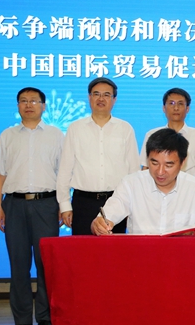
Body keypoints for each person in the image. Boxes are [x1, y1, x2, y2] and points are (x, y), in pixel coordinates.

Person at [0, 87, 63, 325]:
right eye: (23, 101)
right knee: (18, 263)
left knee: (46, 265)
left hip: (46, 204)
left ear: (44, 105)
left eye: (34, 100)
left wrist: (63, 205)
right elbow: (0, 174)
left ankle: (45, 318)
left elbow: (64, 174)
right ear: (18, 106)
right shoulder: (7, 135)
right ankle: (22, 321)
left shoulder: (56, 135)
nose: (28, 104)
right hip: (14, 204)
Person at [91, 128, 195, 235]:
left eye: (168, 165)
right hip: (140, 253)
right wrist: (99, 225)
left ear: (182, 162)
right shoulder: (131, 184)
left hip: (180, 254)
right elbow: (104, 219)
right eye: (154, 163)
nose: (160, 172)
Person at [56, 77, 140, 235]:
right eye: (96, 94)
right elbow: (65, 170)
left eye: (107, 95)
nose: (101, 98)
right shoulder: (75, 128)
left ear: (114, 99)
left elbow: (134, 171)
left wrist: (133, 205)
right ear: (89, 97)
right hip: (83, 202)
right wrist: (65, 205)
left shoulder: (125, 128)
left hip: (117, 202)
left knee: (114, 249)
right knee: (83, 249)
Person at [139, 88, 195, 193]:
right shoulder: (152, 134)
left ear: (187, 109)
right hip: (157, 193)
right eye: (171, 103)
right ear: (164, 108)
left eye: (180, 104)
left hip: (189, 193)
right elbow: (146, 168)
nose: (176, 108)